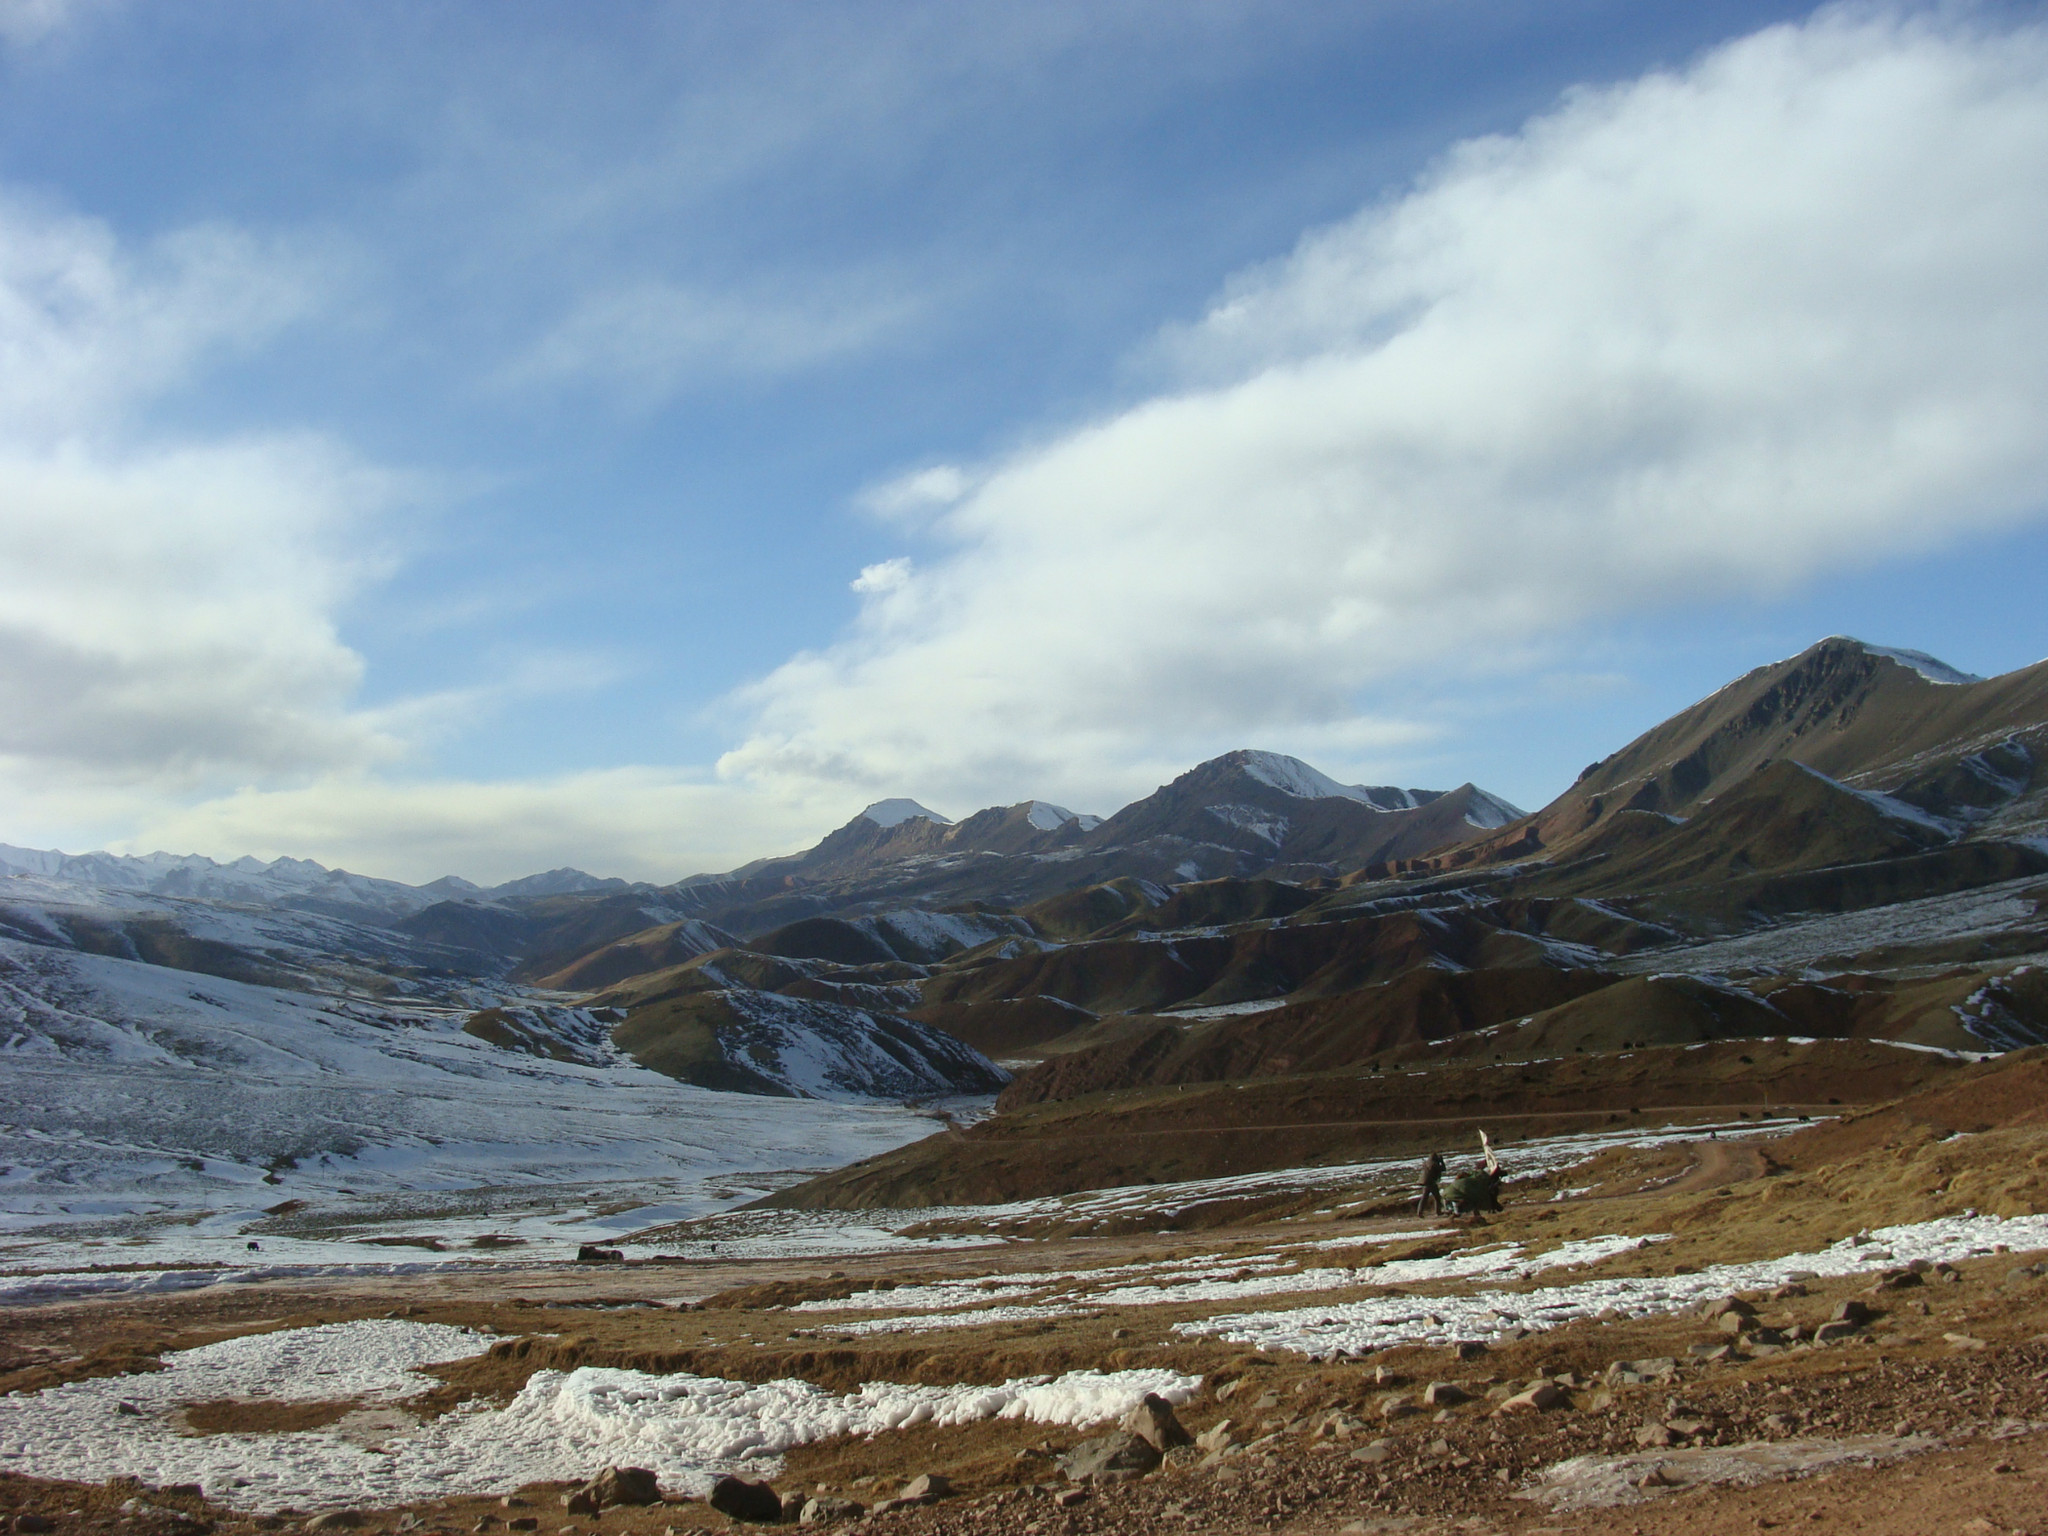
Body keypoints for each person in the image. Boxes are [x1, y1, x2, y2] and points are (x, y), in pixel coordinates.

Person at [1416, 1150, 1445, 1216]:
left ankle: (1419, 1212)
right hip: (1431, 1182)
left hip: (1425, 1182)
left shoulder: (1426, 1163)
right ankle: (1438, 1212)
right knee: (1437, 1197)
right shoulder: (1434, 1164)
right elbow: (1443, 1169)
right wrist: (1441, 1161)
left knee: (1424, 1198)